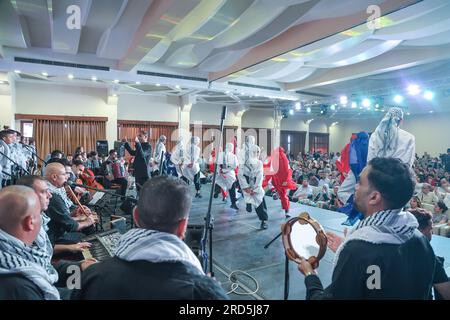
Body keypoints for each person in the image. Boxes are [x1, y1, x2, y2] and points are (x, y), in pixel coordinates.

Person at [298, 157, 435, 299]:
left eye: (360, 183)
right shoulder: (421, 240)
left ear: (374, 197)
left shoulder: (357, 252)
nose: (355, 187)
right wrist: (348, 247)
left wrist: (310, 276)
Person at [72, 176, 229, 300]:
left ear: (135, 216)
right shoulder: (201, 291)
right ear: (183, 226)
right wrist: (211, 290)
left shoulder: (91, 276)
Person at [0, 186, 60, 300]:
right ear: (30, 222)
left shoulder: (13, 250)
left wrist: (78, 266)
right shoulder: (20, 287)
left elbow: (45, 266)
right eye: (39, 214)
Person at [44, 163, 97, 244]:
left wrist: (74, 212)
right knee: (84, 234)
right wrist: (88, 222)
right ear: (54, 177)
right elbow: (70, 226)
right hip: (53, 237)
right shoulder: (53, 196)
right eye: (64, 174)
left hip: (59, 227)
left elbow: (61, 217)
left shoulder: (56, 190)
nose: (67, 176)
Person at [409, 208, 450, 300]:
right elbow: (447, 293)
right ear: (420, 231)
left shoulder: (385, 251)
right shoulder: (429, 258)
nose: (431, 234)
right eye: (430, 230)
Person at [238, 145, 268, 230]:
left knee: (260, 200)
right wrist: (246, 187)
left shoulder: (259, 163)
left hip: (256, 186)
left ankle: (264, 220)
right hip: (247, 185)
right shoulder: (244, 163)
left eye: (258, 152)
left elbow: (259, 177)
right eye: (254, 152)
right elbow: (240, 175)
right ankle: (248, 203)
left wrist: (255, 189)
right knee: (248, 196)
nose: (257, 154)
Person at [263, 147, 297, 218]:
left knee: (283, 194)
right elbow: (288, 171)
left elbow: (287, 171)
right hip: (279, 180)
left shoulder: (280, 159)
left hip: (280, 180)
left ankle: (286, 209)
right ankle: (276, 193)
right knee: (283, 194)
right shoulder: (282, 159)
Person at [216, 142, 239, 210]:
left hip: (221, 173)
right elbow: (235, 166)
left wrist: (220, 171)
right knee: (232, 189)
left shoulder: (220, 154)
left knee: (220, 182)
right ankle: (233, 203)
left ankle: (217, 190)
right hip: (229, 174)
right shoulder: (233, 156)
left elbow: (217, 164)